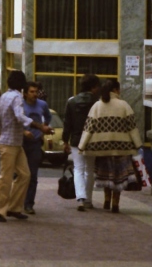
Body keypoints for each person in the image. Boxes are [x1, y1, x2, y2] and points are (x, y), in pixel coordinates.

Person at [0, 71, 52, 223]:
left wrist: (2, 132)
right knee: (6, 177)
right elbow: (20, 116)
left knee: (24, 174)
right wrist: (39, 126)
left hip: (12, 142)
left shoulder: (3, 96)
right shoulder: (17, 97)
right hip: (11, 143)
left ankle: (14, 207)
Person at [79, 79, 142, 213]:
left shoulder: (97, 105)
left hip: (102, 148)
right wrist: (137, 144)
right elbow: (132, 127)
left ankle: (106, 200)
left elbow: (89, 127)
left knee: (107, 175)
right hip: (122, 148)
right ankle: (115, 203)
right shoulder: (124, 105)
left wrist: (82, 145)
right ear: (115, 90)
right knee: (118, 177)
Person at [62, 74, 100, 211]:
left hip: (76, 139)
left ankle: (80, 198)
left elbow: (67, 123)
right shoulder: (98, 102)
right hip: (92, 140)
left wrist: (65, 140)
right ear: (94, 87)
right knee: (90, 170)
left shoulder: (72, 101)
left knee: (78, 168)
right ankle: (89, 199)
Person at [21, 81, 51, 215]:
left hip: (35, 142)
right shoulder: (20, 105)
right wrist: (23, 132)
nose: (34, 94)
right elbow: (16, 121)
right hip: (21, 141)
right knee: (20, 174)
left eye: (36, 92)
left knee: (33, 174)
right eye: (31, 92)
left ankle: (29, 204)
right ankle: (18, 200)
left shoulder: (42, 105)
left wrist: (43, 130)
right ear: (25, 93)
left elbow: (47, 118)